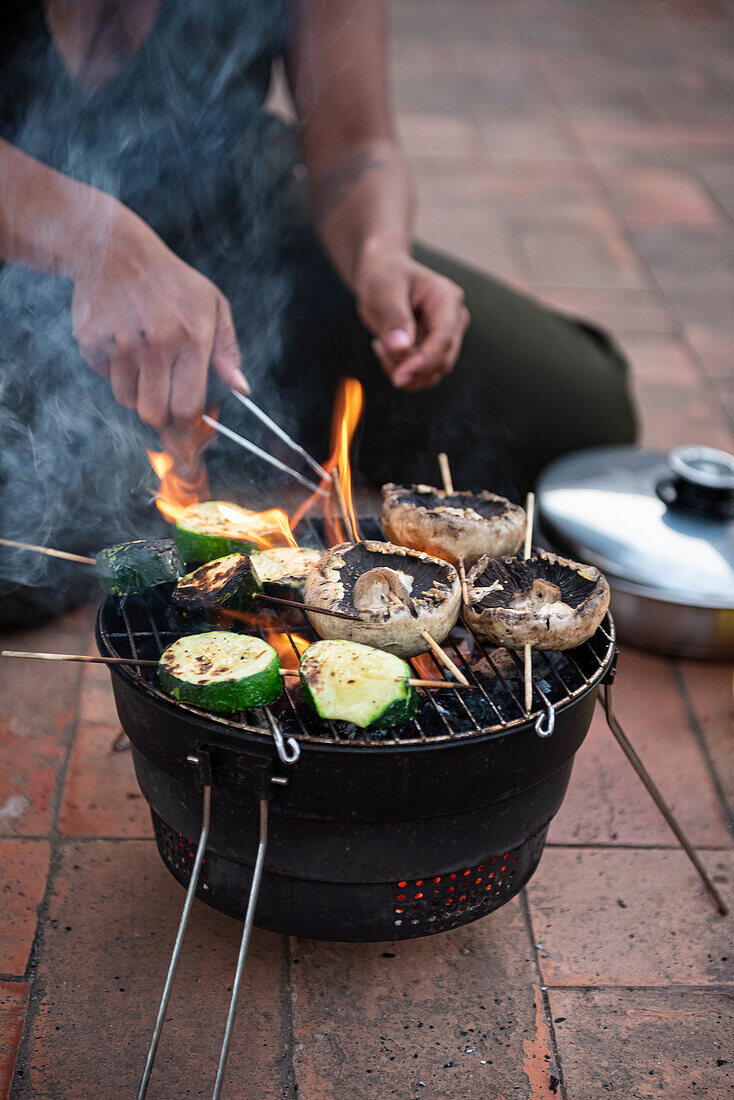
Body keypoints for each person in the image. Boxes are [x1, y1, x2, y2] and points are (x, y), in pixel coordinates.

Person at [0, 0, 635, 626]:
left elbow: (356, 143)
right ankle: (174, 472)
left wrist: (378, 253)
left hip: (240, 225)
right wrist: (98, 243)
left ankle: (223, 450)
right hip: (24, 257)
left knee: (581, 412)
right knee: (24, 543)